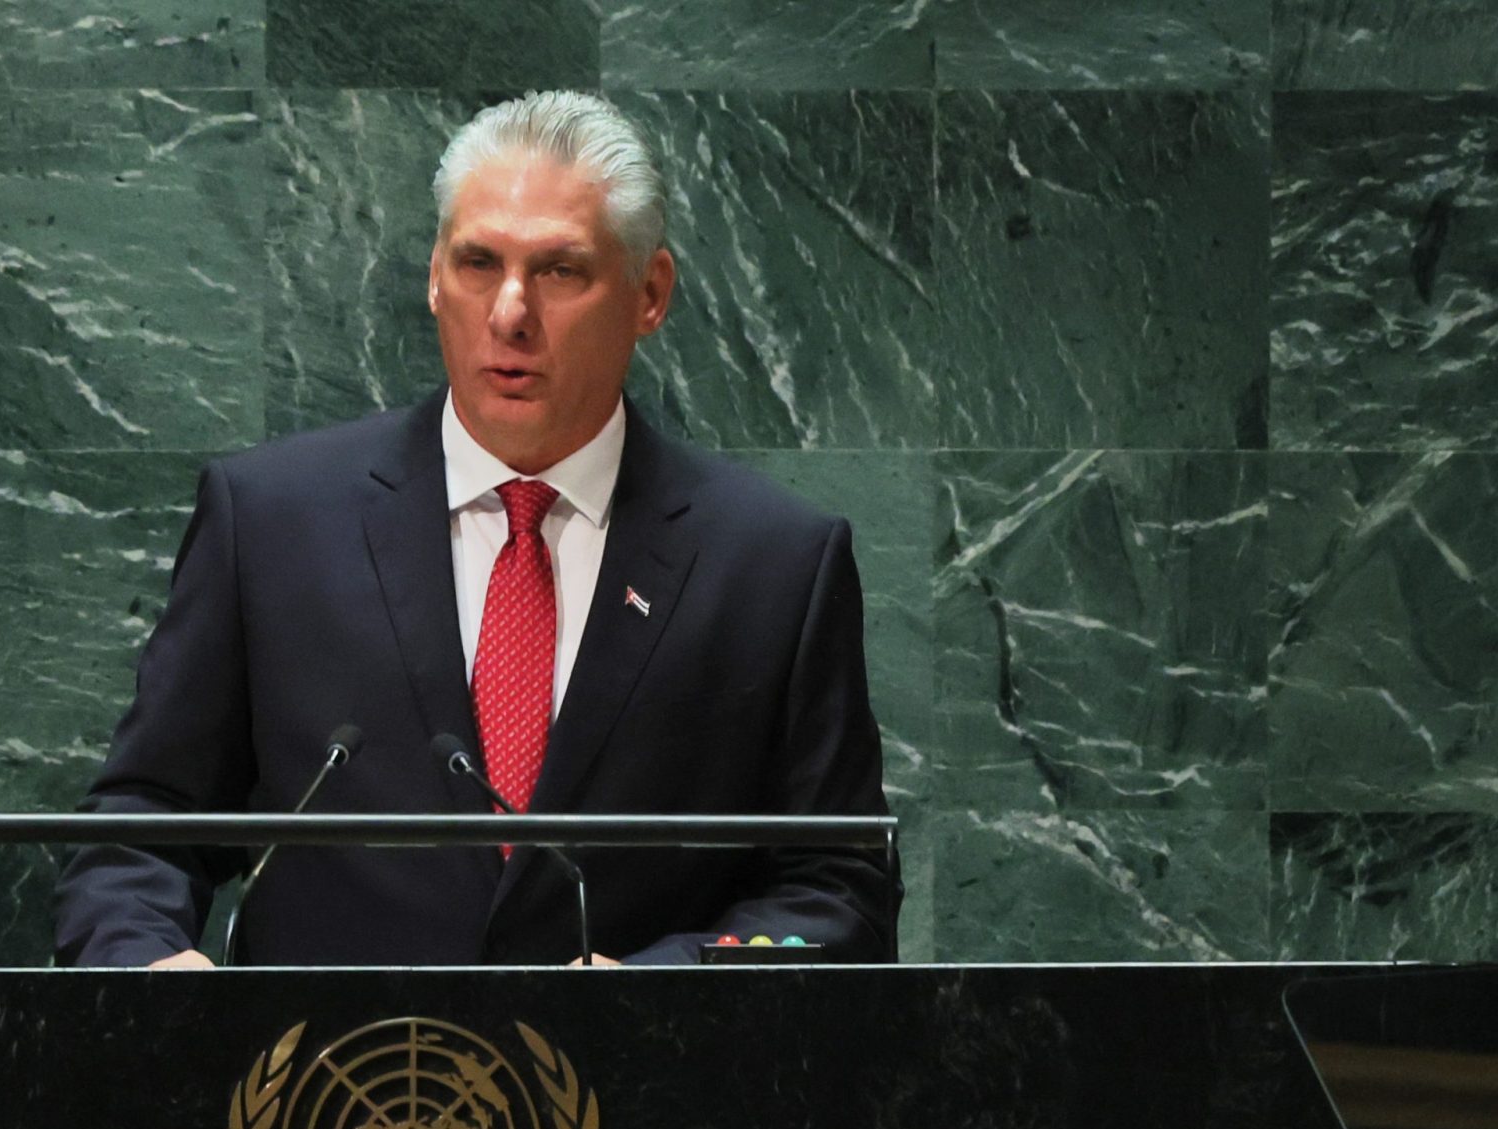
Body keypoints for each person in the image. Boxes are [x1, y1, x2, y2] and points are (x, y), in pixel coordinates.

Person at [54, 92, 891, 969]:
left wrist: (673, 984)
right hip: (329, 1090)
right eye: (478, 262)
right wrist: (143, 966)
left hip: (643, 1090)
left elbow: (839, 888)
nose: (510, 313)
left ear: (651, 294)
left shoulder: (773, 563)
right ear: (432, 277)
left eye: (560, 271)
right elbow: (142, 824)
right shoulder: (271, 523)